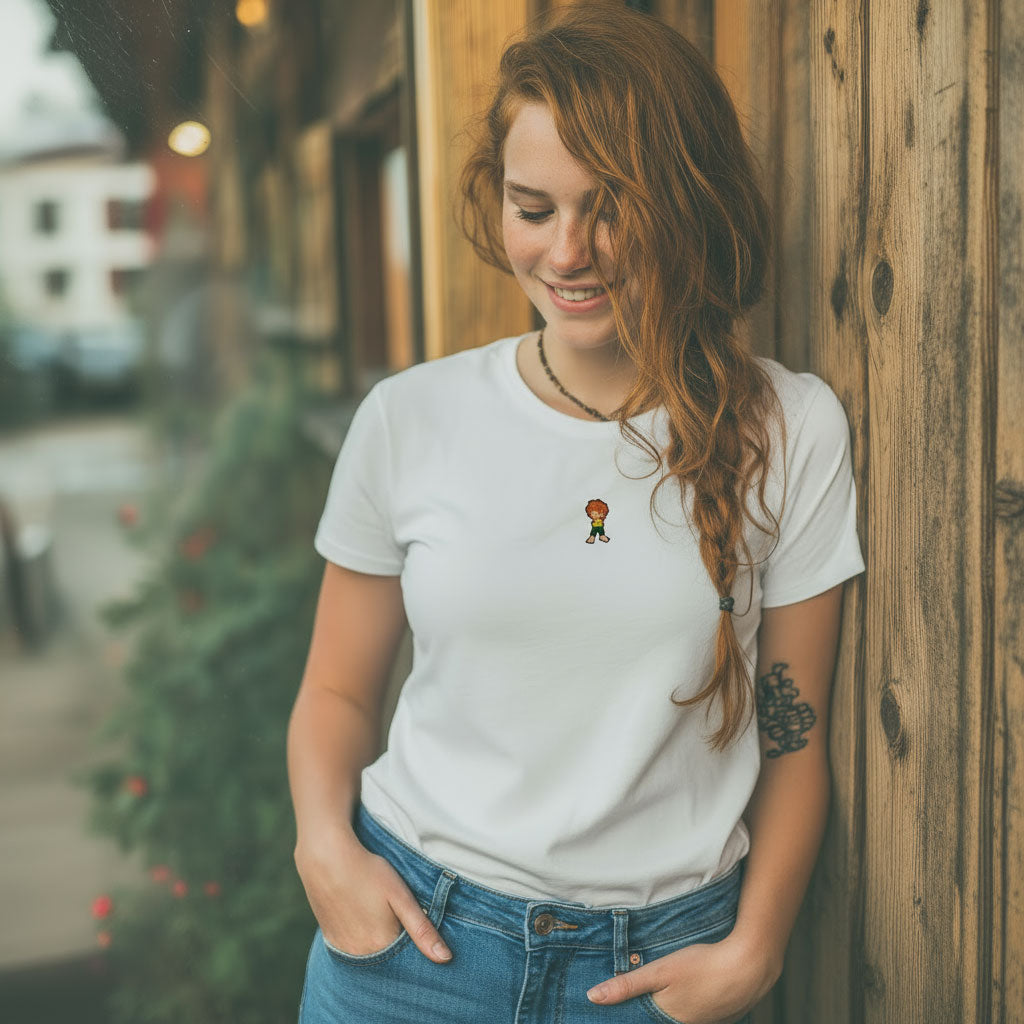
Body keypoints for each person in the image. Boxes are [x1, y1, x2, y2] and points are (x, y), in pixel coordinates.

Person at [288, 4, 866, 1023]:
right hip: (407, 952)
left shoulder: (791, 427)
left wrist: (755, 950)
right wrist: (323, 847)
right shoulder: (407, 419)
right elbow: (337, 688)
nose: (567, 251)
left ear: (684, 200)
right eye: (532, 206)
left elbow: (793, 733)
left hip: (655, 975)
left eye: (609, 207)